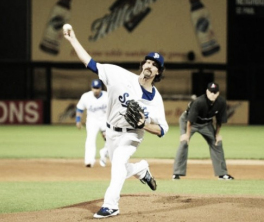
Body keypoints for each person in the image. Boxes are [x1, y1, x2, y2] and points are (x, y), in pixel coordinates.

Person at [63, 25, 169, 218]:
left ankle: (111, 205)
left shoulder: (156, 100)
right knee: (119, 167)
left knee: (119, 161)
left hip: (132, 135)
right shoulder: (119, 75)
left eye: (154, 64)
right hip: (111, 131)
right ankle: (141, 169)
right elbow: (90, 63)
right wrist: (72, 40)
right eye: (147, 62)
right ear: (142, 65)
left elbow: (163, 129)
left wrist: (144, 125)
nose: (149, 65)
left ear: (158, 72)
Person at [172, 82, 234, 180]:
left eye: (215, 92)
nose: (212, 94)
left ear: (218, 93)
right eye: (211, 92)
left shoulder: (221, 102)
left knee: (217, 143)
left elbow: (219, 121)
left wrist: (217, 134)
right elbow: (190, 121)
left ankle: (222, 174)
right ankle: (176, 174)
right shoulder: (199, 102)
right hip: (189, 121)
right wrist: (187, 135)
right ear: (207, 92)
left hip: (206, 123)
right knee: (184, 142)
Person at [76, 79, 109, 168]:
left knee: (111, 139)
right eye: (94, 88)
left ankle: (104, 152)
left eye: (97, 88)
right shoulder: (86, 96)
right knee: (90, 140)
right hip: (92, 121)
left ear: (101, 88)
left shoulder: (107, 96)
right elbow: (80, 108)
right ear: (91, 88)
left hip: (104, 120)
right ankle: (89, 161)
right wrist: (78, 120)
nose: (96, 90)